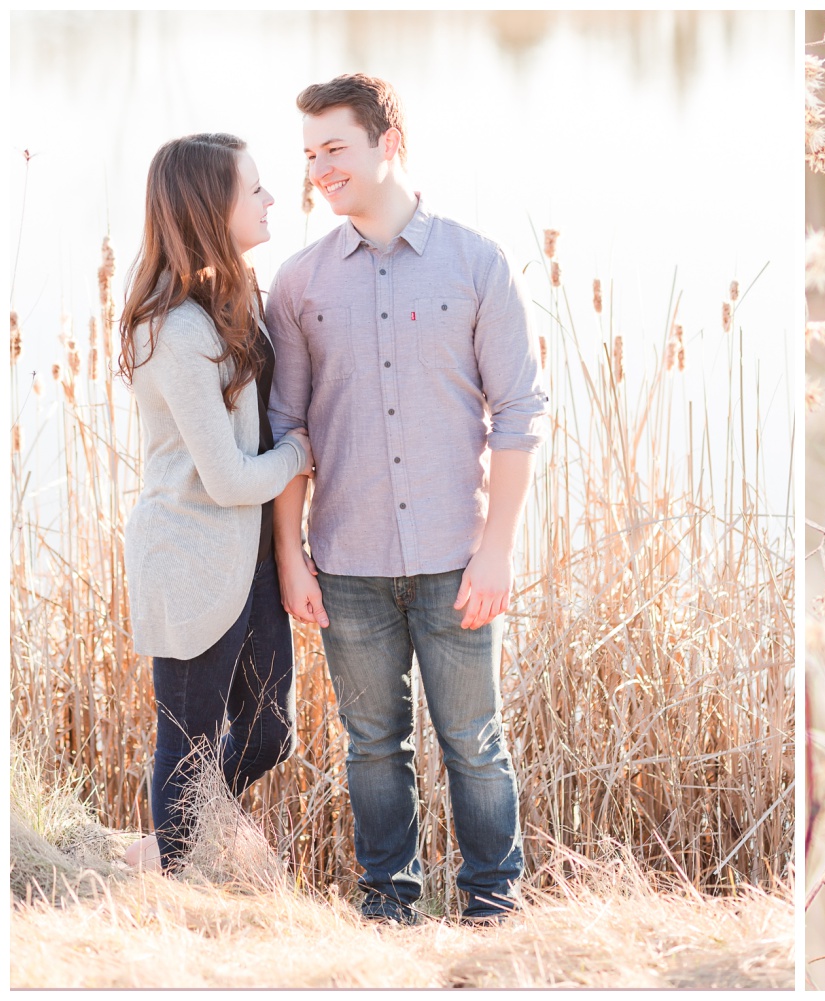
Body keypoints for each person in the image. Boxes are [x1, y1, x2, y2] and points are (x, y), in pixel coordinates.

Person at [267, 73, 546, 924]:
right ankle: (388, 907)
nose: (319, 169)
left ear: (388, 144)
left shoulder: (476, 262)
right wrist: (291, 556)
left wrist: (497, 548)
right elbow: (289, 432)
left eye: (334, 149)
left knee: (474, 742)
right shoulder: (300, 282)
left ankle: (494, 905)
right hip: (345, 565)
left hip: (455, 559)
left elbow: (521, 413)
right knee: (373, 748)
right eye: (309, 154)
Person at [118, 133, 313, 873]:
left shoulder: (230, 298)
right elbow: (230, 478)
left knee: (269, 731)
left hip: (248, 554)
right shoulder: (177, 328)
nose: (270, 200)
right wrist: (302, 452)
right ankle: (170, 873)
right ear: (210, 207)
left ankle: (186, 834)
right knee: (189, 740)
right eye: (254, 190)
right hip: (190, 556)